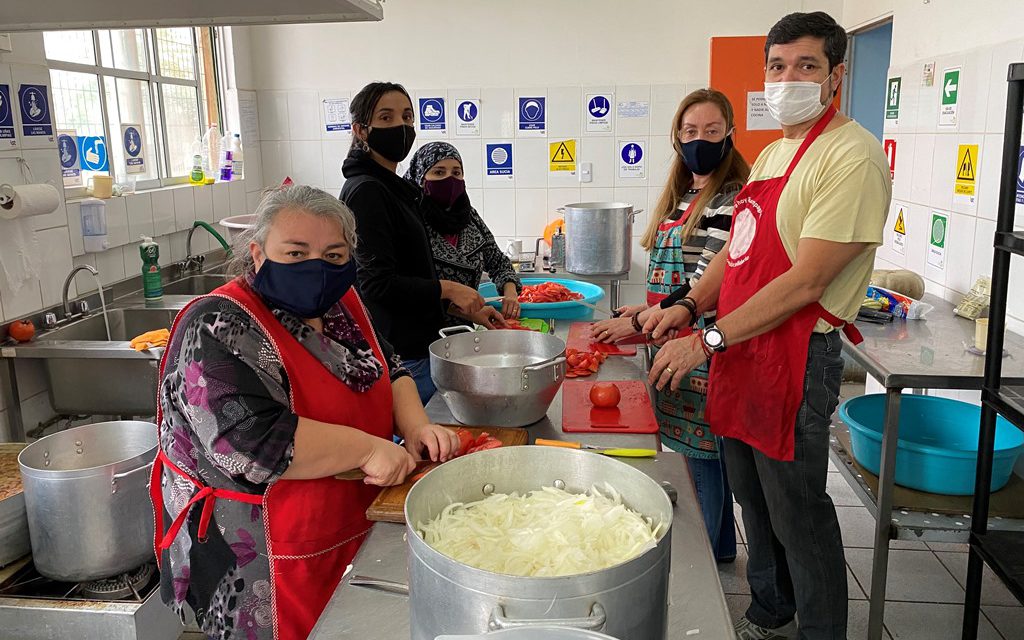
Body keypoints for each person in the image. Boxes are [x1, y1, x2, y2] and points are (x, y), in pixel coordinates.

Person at [643, 12, 890, 640]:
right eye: (777, 67)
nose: (788, 78)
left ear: (835, 76)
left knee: (798, 510)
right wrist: (688, 306)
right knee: (752, 496)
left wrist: (710, 339)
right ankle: (771, 605)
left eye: (806, 66)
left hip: (797, 357)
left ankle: (821, 630)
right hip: (745, 350)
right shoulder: (777, 152)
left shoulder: (850, 155)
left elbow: (807, 280)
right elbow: (740, 253)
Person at [150, 186, 460, 640]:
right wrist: (367, 448)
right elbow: (253, 446)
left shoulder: (343, 304)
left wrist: (415, 424)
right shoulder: (218, 324)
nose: (317, 267)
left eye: (334, 255)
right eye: (296, 252)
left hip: (348, 525)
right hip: (258, 558)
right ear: (257, 253)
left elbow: (387, 366)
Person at [590, 88, 749, 563]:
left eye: (712, 131)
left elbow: (707, 283)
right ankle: (717, 548)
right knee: (698, 459)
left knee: (700, 461)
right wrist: (640, 313)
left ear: (730, 135)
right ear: (676, 138)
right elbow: (670, 283)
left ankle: (705, 559)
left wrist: (644, 320)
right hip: (669, 342)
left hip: (702, 352)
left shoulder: (732, 197)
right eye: (690, 131)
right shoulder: (683, 196)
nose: (700, 140)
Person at [339, 82, 496, 404]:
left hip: (420, 348)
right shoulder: (368, 191)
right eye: (386, 117)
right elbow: (377, 284)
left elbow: (410, 276)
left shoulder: (395, 189)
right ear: (361, 130)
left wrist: (464, 310)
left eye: (408, 117)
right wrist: (449, 288)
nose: (401, 126)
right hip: (402, 357)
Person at [404, 141, 522, 326]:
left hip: (466, 335)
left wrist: (510, 293)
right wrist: (468, 314)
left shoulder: (469, 217)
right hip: (420, 336)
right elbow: (405, 288)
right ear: (420, 177)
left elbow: (498, 262)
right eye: (439, 172)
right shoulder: (410, 220)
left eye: (456, 173)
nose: (449, 180)